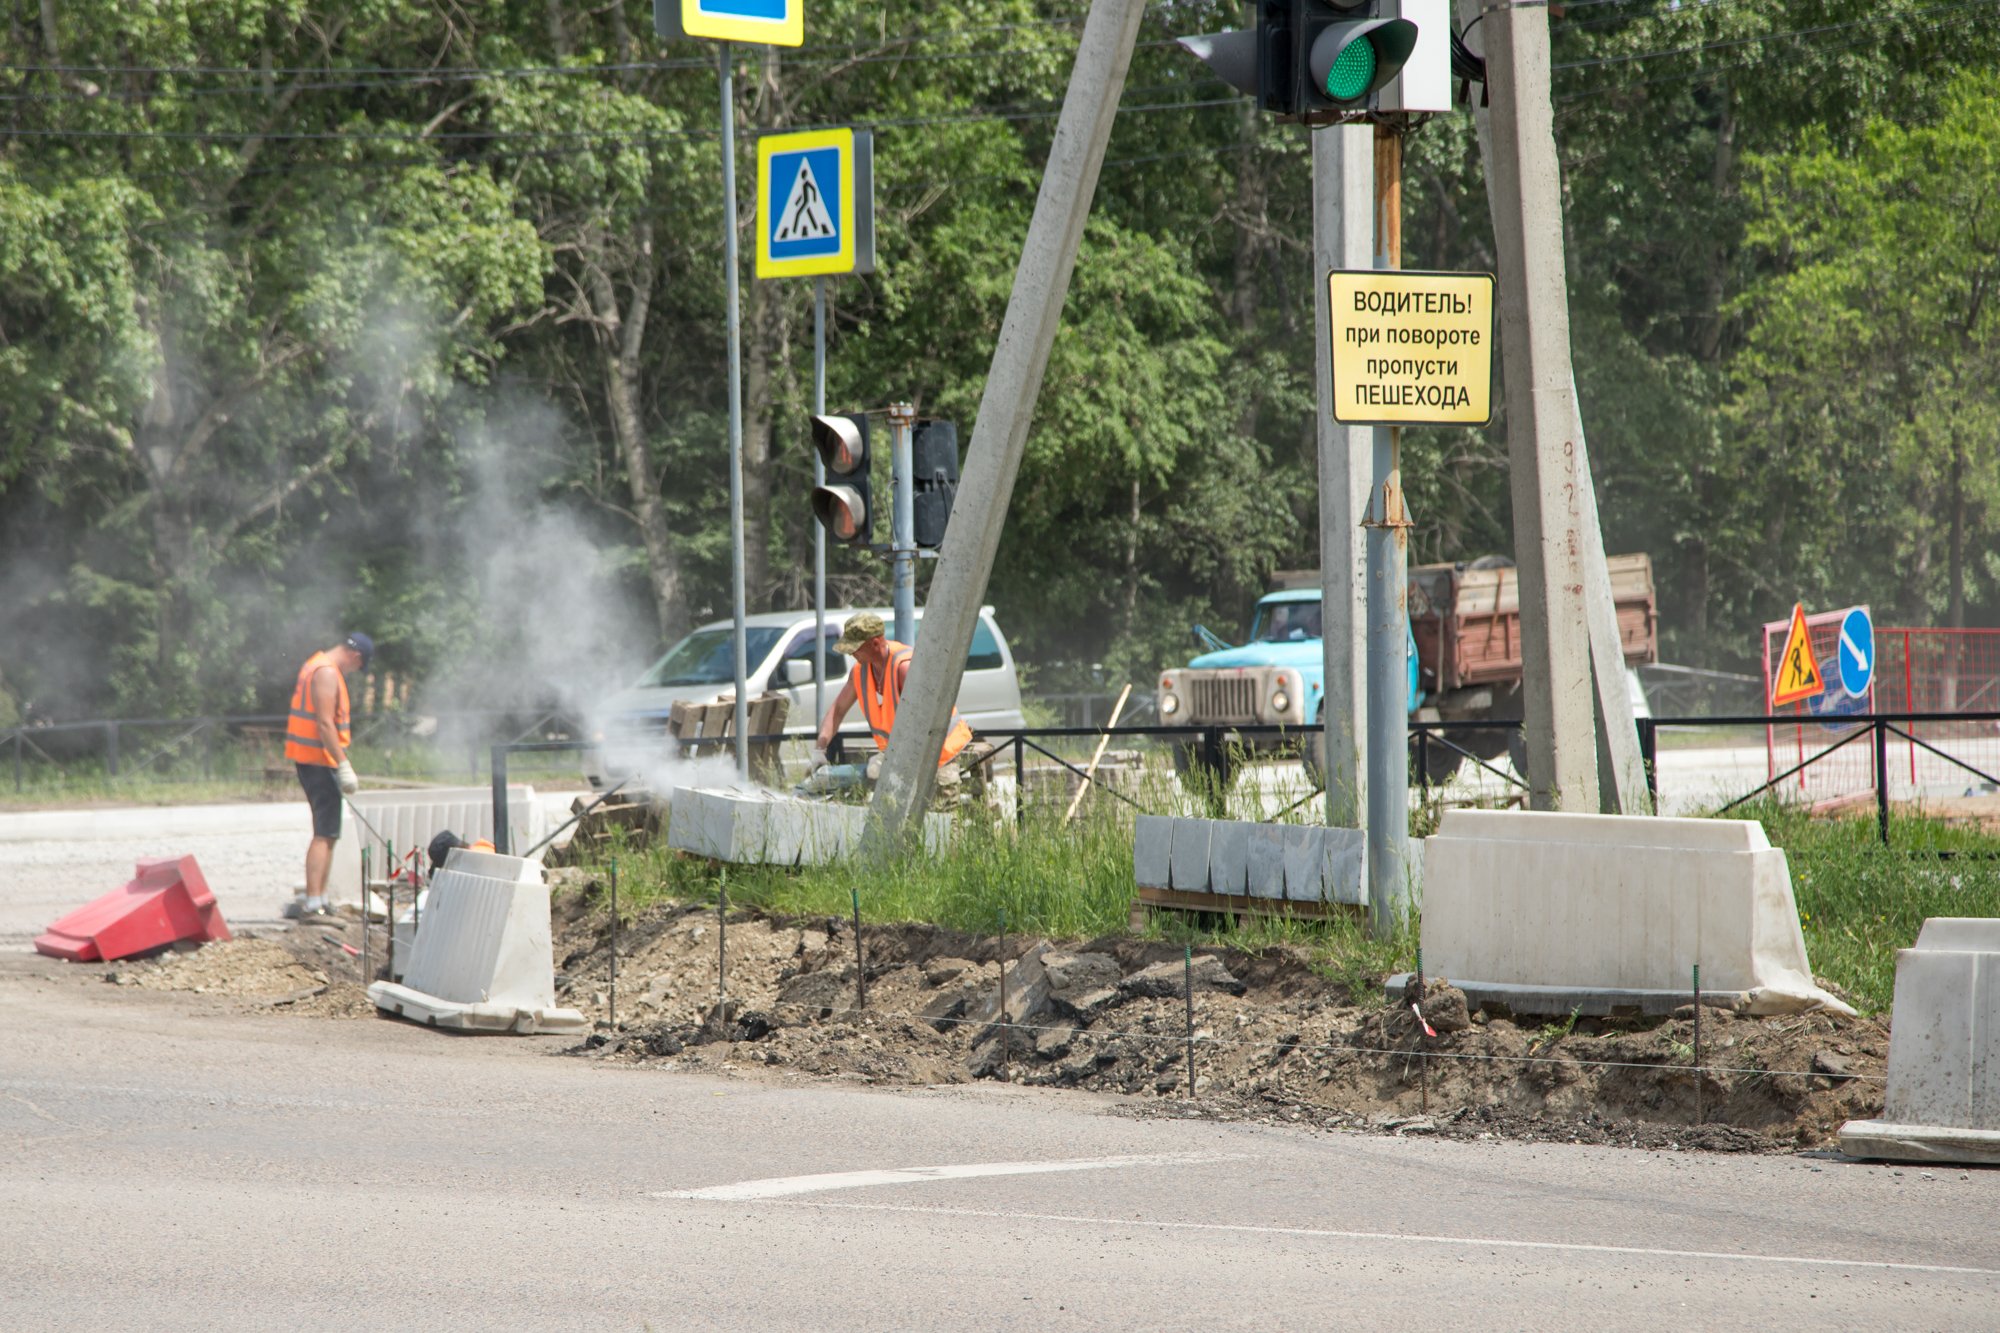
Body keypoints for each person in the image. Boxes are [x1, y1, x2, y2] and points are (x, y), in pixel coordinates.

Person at [811, 613, 982, 791]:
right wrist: (819, 750)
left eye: (855, 648)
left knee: (939, 813)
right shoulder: (860, 672)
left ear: (875, 643)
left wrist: (890, 759)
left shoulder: (905, 667)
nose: (851, 653)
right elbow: (837, 711)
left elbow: (926, 724)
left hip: (941, 750)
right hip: (905, 755)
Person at [283, 632, 372, 918]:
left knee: (329, 831)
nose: (354, 670)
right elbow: (324, 723)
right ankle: (313, 902)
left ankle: (320, 898)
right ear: (355, 656)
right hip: (319, 761)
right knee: (324, 833)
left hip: (316, 760)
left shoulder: (318, 665)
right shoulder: (326, 672)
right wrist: (343, 763)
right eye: (359, 666)